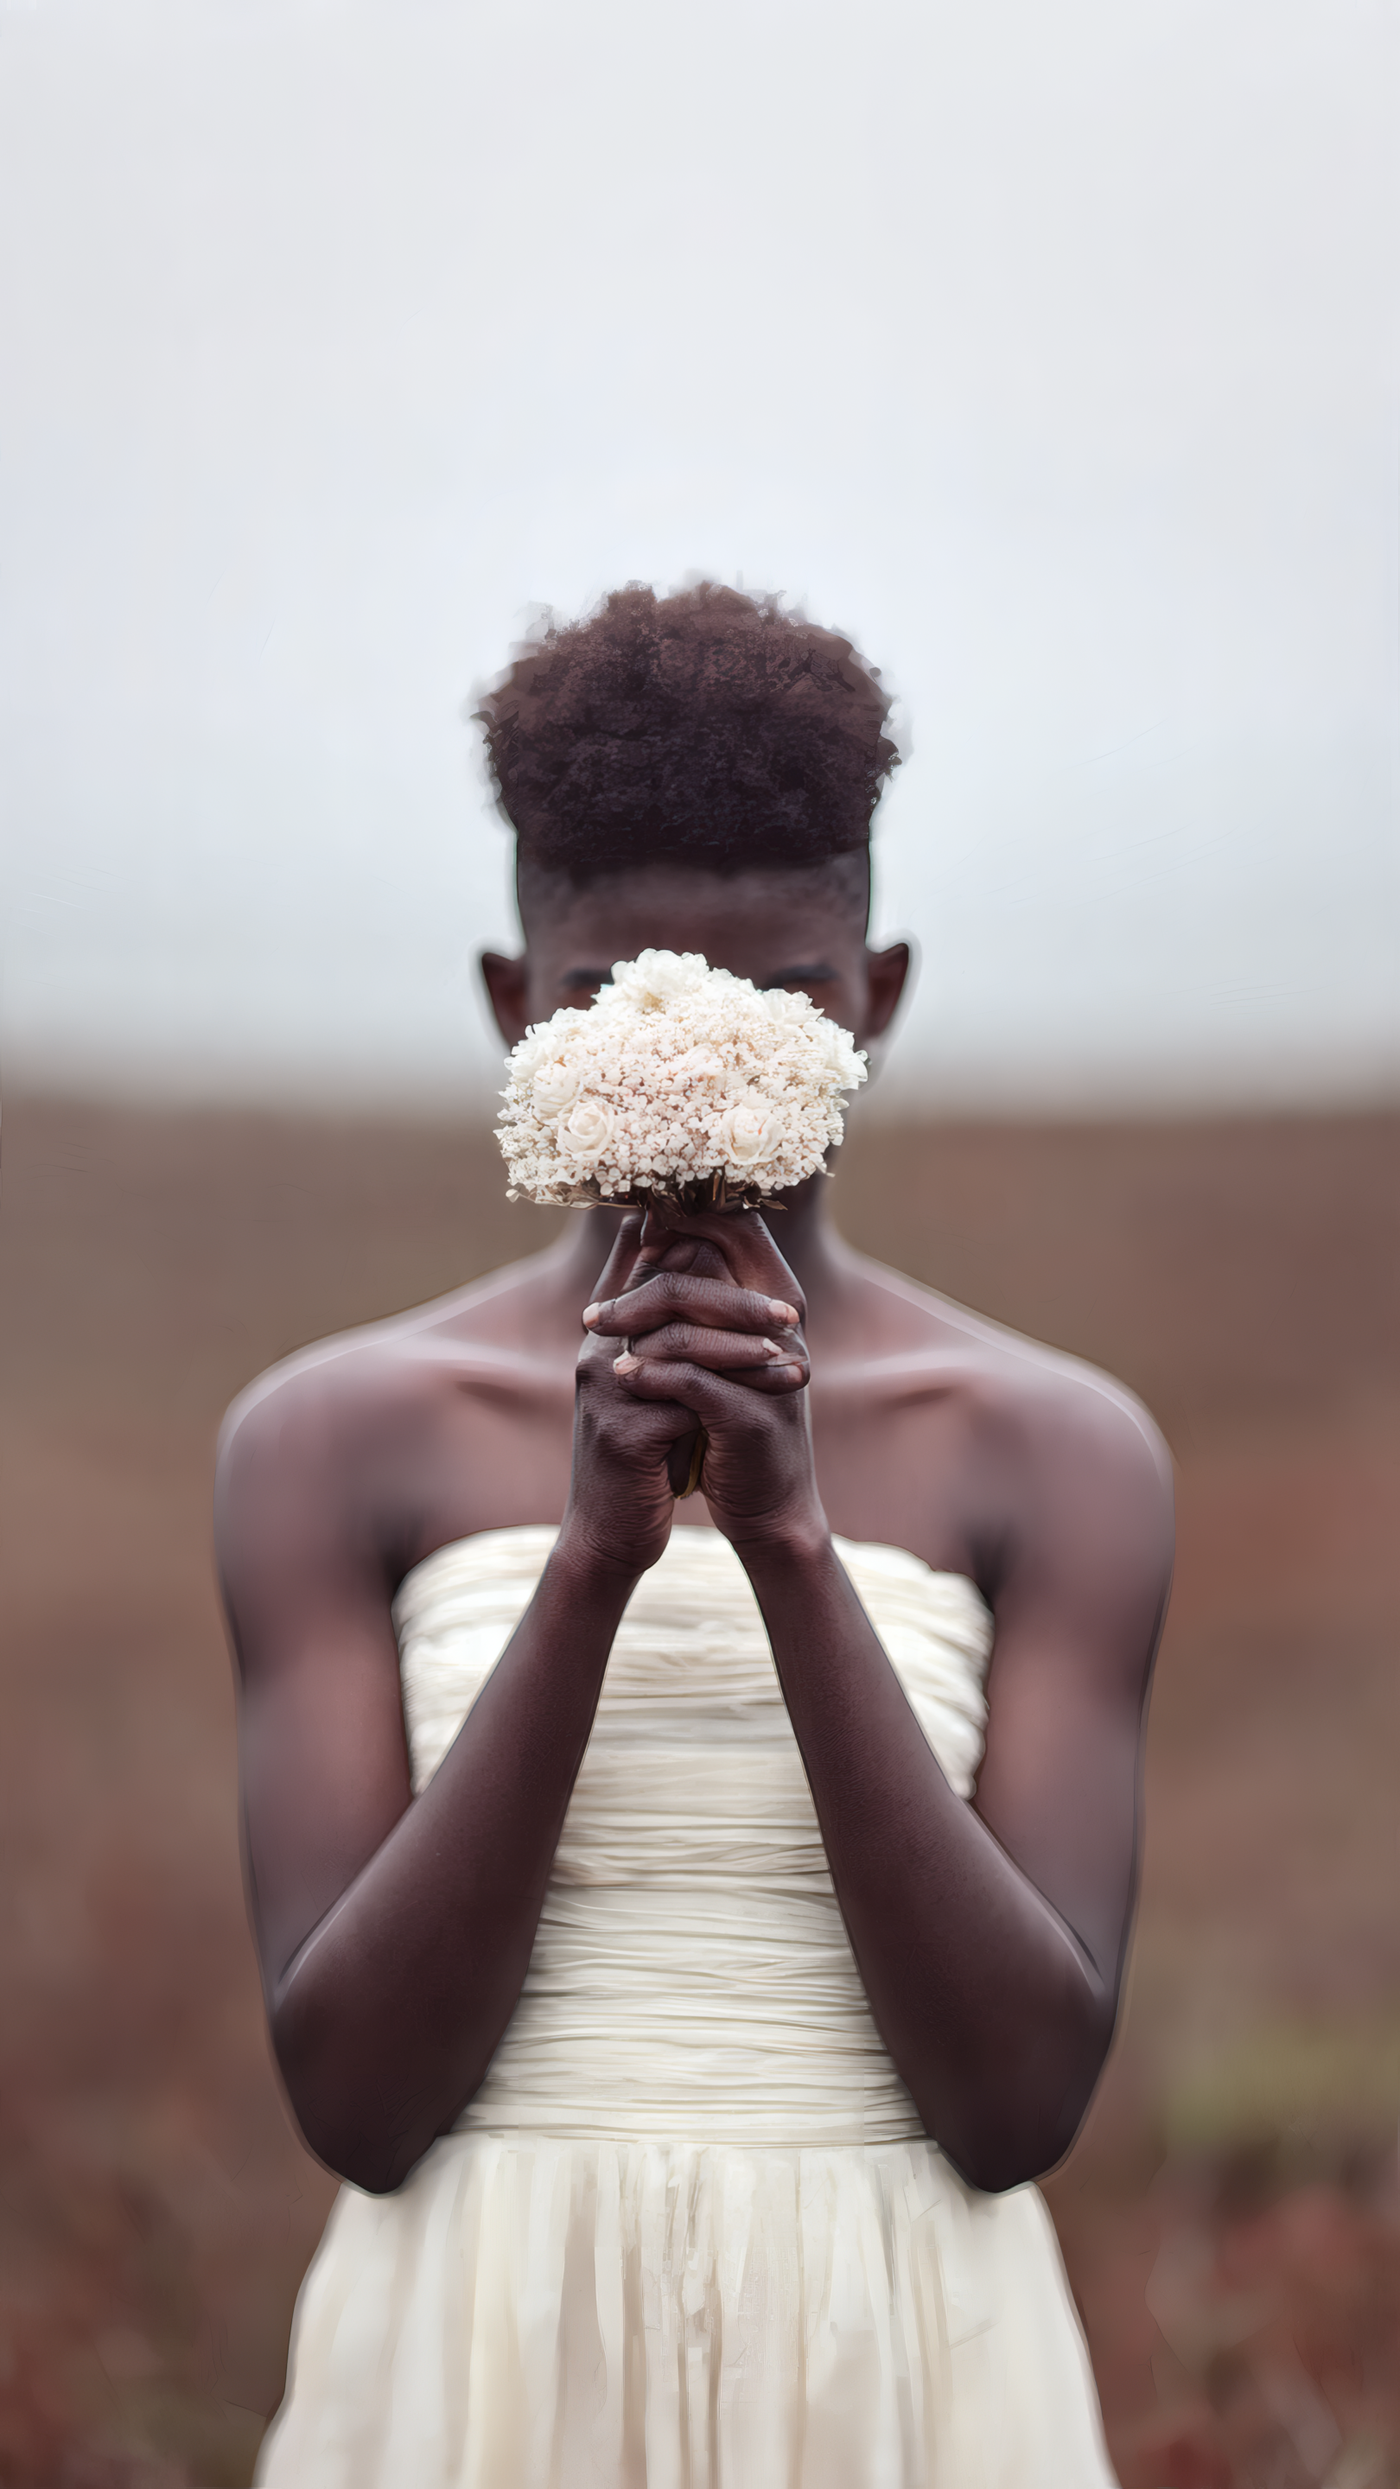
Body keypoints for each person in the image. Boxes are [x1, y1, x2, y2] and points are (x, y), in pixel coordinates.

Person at [217, 583, 1174, 2488]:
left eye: (783, 1002)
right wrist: (588, 1562)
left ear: (879, 998)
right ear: (511, 1007)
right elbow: (358, 2100)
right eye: (610, 1008)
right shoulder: (327, 1439)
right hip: (478, 2361)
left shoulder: (1058, 1452)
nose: (698, 1075)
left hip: (899, 2360)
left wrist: (794, 1545)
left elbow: (1015, 2103)